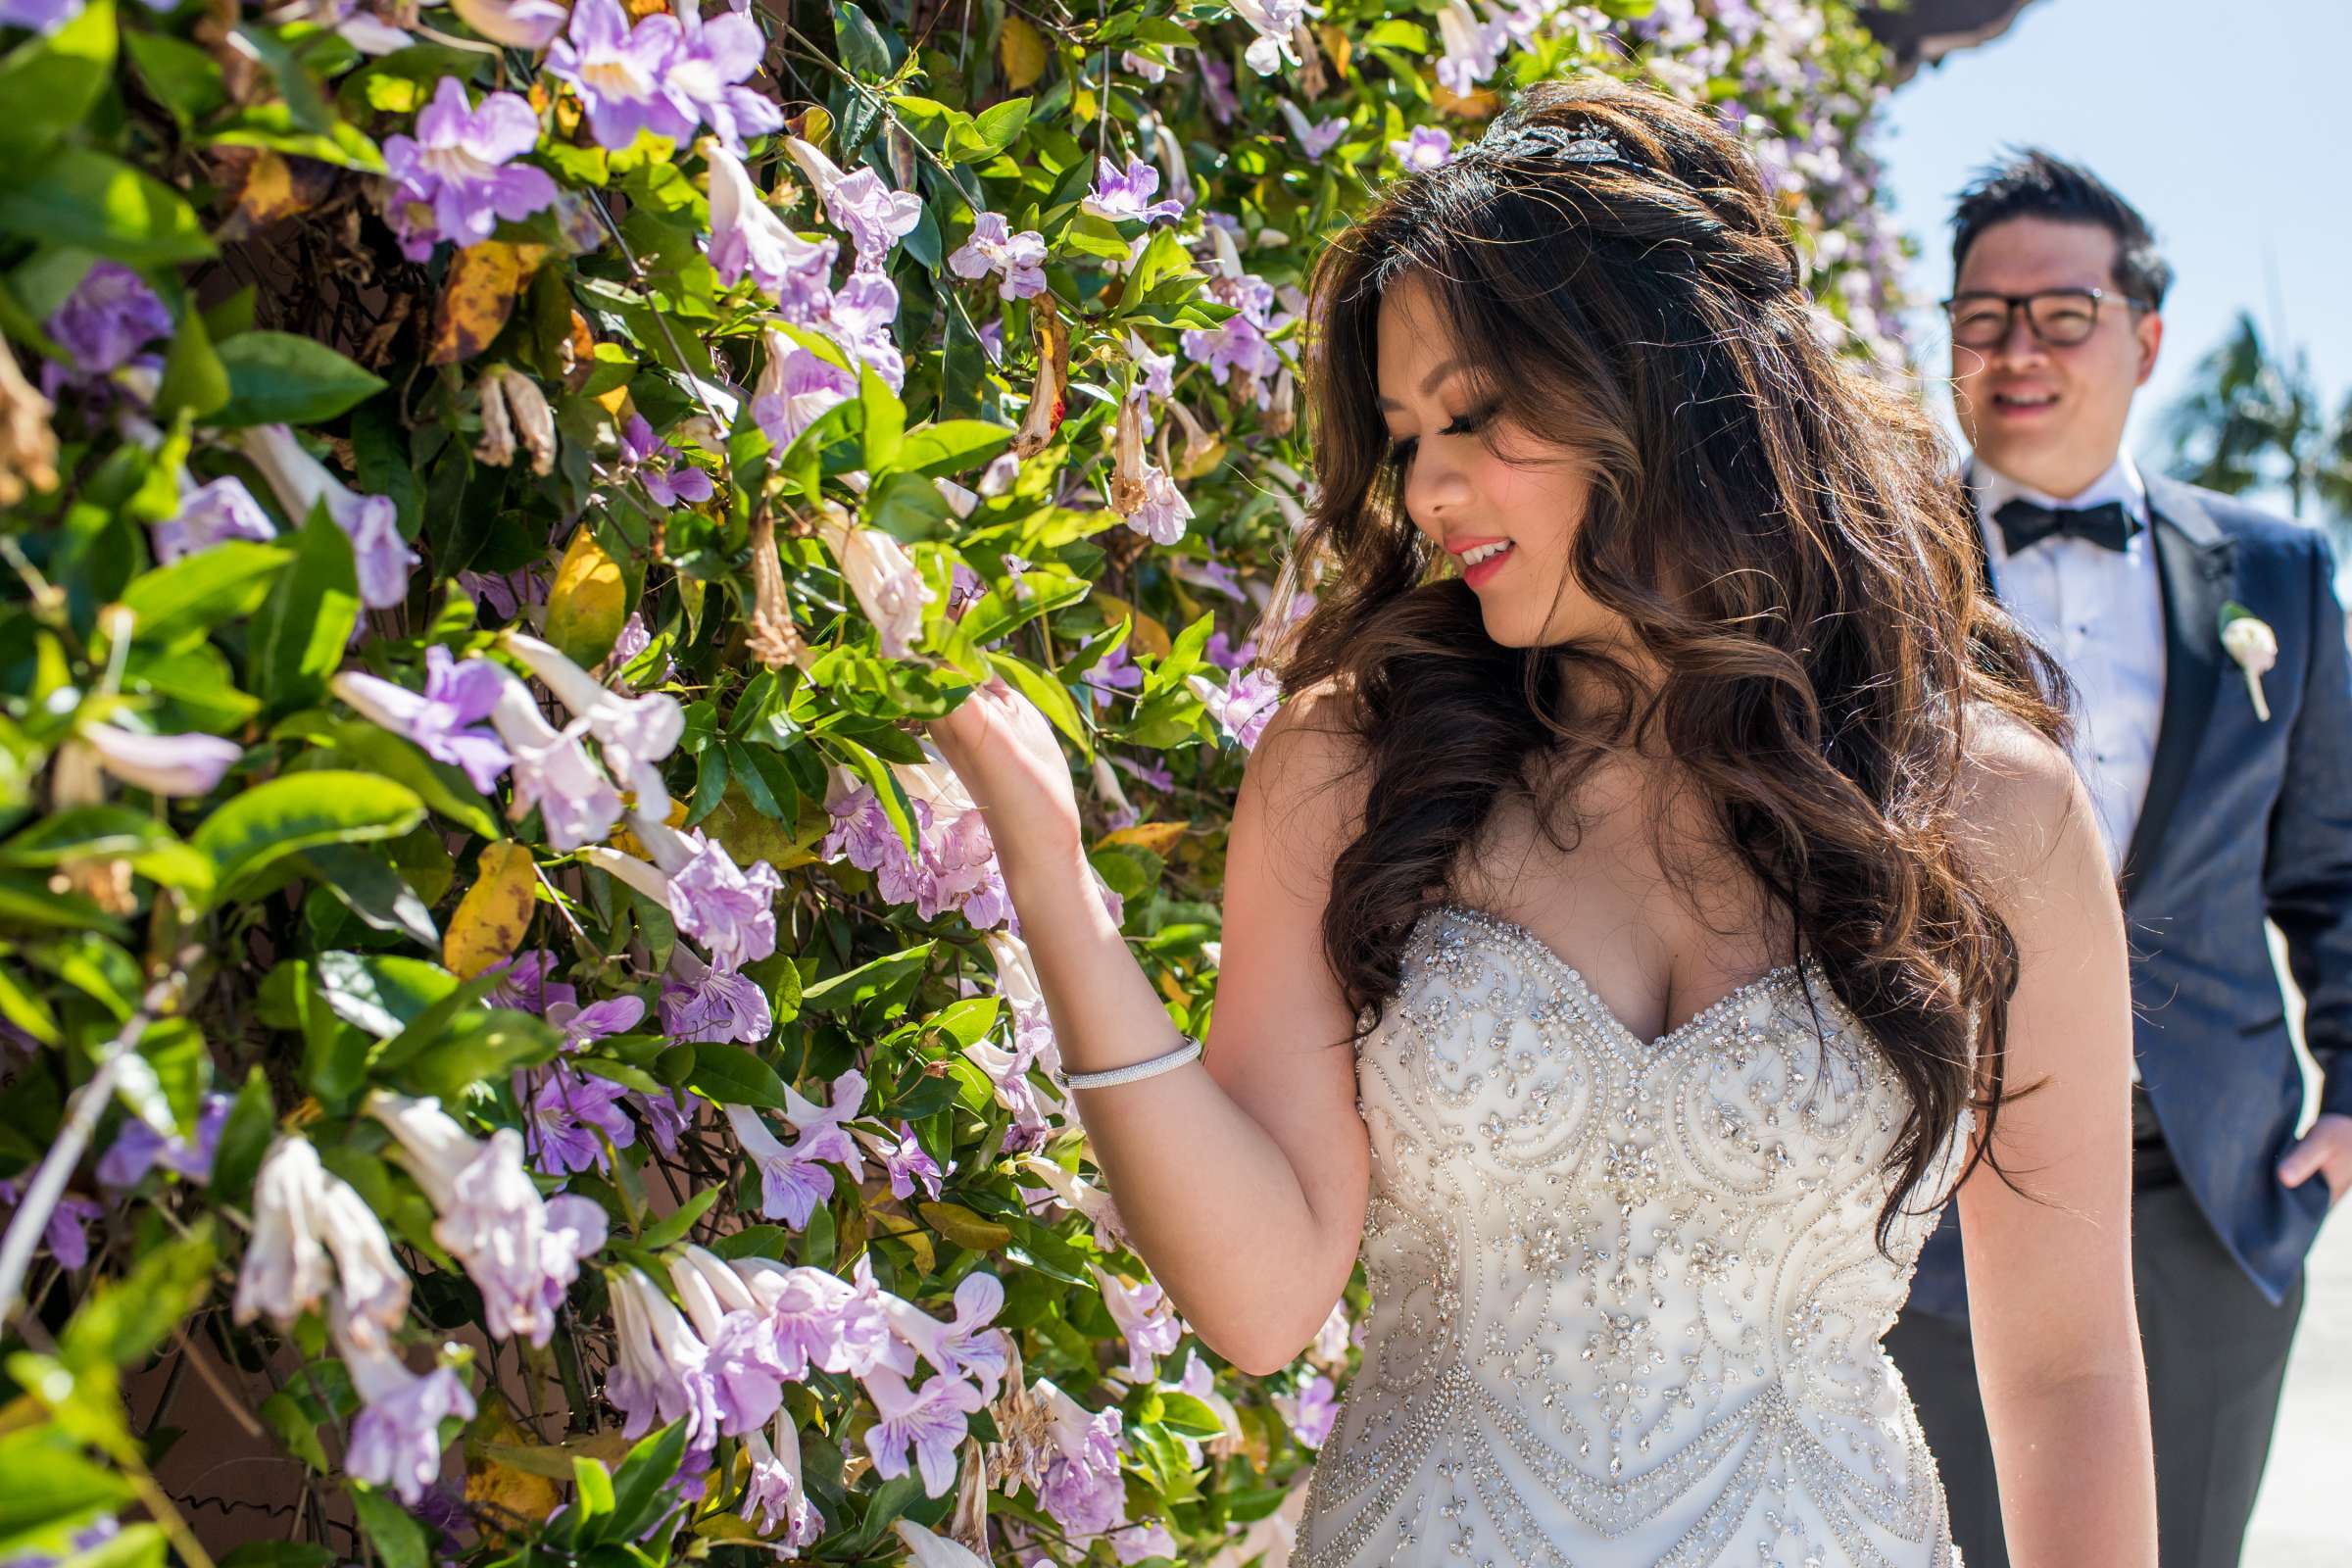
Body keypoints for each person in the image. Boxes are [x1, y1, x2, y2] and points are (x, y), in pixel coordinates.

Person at [931, 77, 2158, 1564]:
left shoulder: (1991, 809)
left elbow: (2069, 1374)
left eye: (1478, 416)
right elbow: (1260, 1303)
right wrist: (1054, 886)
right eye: (1404, 437)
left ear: (1668, 383)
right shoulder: (1353, 772)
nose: (1432, 489)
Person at [1886, 151, 2352, 1568]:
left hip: (2213, 1186)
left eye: (2063, 313)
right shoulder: (1870, 568)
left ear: (2144, 336)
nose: (2018, 350)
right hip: (1936, 1189)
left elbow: (2330, 866)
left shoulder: (2273, 575)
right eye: (1982, 316)